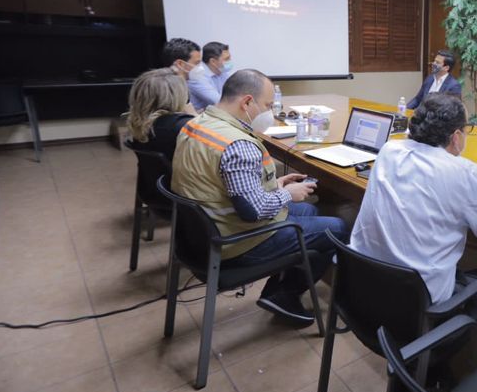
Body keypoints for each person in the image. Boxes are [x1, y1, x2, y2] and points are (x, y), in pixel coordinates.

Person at [172, 69, 348, 327]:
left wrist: (274, 183)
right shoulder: (237, 144)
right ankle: (286, 292)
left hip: (196, 235)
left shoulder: (195, 124)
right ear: (246, 102)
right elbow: (252, 212)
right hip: (235, 242)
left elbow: (220, 184)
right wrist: (287, 193)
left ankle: (280, 290)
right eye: (267, 105)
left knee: (309, 213)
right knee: (338, 228)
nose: (270, 111)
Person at [351, 94, 477, 312]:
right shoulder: (461, 172)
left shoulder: (388, 151)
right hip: (412, 309)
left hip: (362, 289)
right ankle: (442, 337)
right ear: (456, 136)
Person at [125, 68, 193, 202]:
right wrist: (193, 115)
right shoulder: (182, 126)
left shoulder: (140, 123)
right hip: (182, 200)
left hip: (153, 192)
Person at [188, 41, 235, 112]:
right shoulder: (197, 76)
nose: (230, 61)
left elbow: (234, 92)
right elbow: (219, 102)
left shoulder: (222, 71)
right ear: (213, 61)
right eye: (226, 59)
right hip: (198, 118)